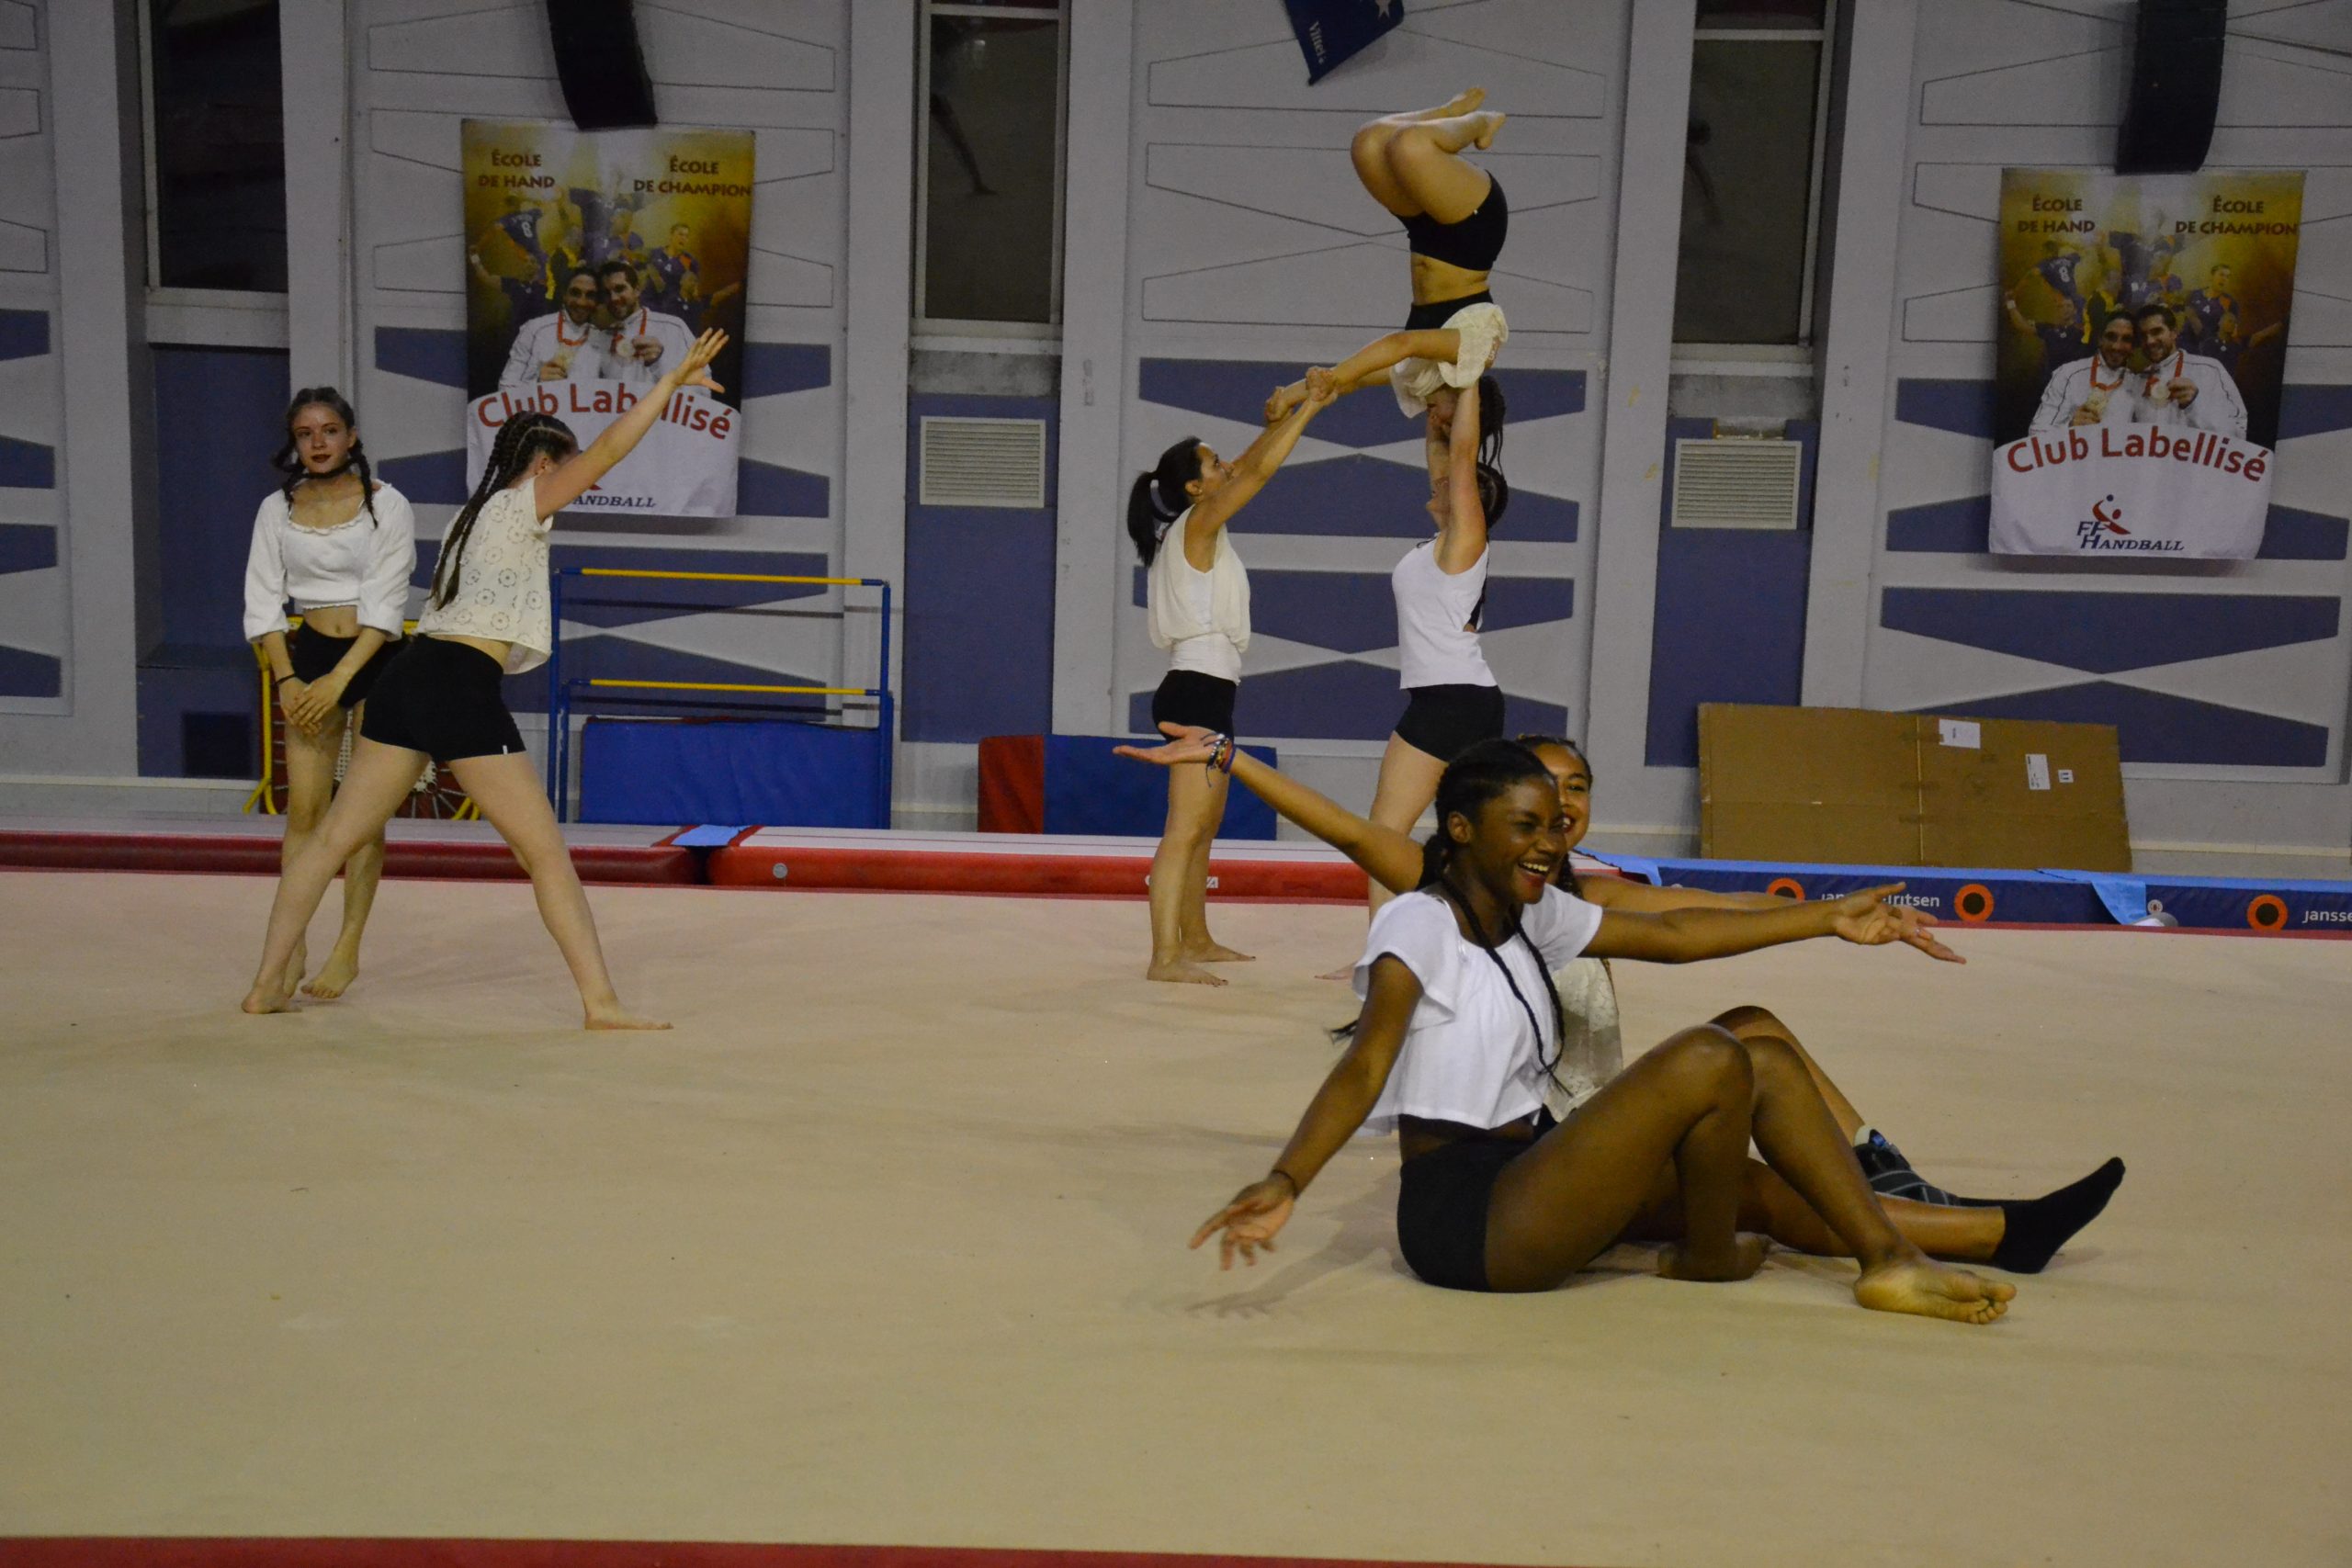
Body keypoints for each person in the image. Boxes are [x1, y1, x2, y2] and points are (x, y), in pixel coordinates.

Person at [1119, 730, 2124, 1293]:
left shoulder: (1537, 911)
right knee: (1712, 1055)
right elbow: (1366, 1064)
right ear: (1460, 830)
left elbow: (1679, 932)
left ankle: (1993, 1235)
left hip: (1542, 1160)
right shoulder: (1419, 922)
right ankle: (1823, 1260)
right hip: (1467, 1218)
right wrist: (1287, 1178)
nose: (1549, 840)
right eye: (1526, 824)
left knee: (1762, 1116)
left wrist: (1829, 918)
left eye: (1558, 821)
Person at [238, 329, 733, 1027]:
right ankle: (601, 1002)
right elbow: (608, 450)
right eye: (564, 472)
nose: (574, 487)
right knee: (547, 856)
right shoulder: (525, 502)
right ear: (542, 465)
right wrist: (669, 383)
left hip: (409, 675)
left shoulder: (471, 517)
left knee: (327, 842)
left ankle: (266, 984)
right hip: (457, 683)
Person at [1510, 732, 2123, 1248]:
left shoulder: (1588, 895)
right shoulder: (1510, 902)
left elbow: (1722, 907)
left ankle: (1891, 1177)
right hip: (1557, 1149)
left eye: (1577, 786)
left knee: (1751, 1028)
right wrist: (1825, 918)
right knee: (1754, 1184)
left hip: (1599, 1114)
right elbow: (1680, 936)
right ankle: (1994, 1234)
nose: (1563, 801)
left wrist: (1839, 912)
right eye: (1545, 784)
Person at [1126, 378, 1340, 986]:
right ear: (1196, 488)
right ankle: (1164, 955)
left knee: (1205, 827)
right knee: (1185, 828)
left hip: (1210, 689)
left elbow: (1247, 464)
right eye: (1213, 464)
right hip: (1195, 689)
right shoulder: (1199, 522)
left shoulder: (1198, 521)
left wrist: (1282, 415)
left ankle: (1195, 937)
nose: (1226, 467)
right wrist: (1312, 407)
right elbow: (1260, 474)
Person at [242, 389, 416, 1002]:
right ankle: (290, 947)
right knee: (305, 813)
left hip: (374, 658)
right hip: (308, 657)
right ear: (294, 442)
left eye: (330, 430)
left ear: (351, 436)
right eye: (305, 433)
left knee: (361, 815)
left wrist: (339, 681)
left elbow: (388, 602)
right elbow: (263, 601)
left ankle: (347, 947)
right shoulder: (276, 508)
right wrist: (288, 680)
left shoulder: (387, 504)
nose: (318, 442)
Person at [1264, 89, 1508, 424]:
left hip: (1426, 234)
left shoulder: (1421, 377)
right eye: (1448, 423)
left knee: (1367, 144)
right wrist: (1333, 378)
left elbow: (1357, 378)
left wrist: (1289, 396)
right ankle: (1480, 122)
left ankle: (1446, 111)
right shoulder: (1478, 353)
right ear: (1470, 410)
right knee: (1410, 145)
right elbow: (1402, 343)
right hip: (1473, 230)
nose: (1435, 422)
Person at [1361, 377, 1510, 921]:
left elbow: (1462, 456)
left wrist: (1468, 381)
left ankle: (1385, 948)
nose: (1442, 479)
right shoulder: (1439, 544)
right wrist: (1436, 411)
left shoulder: (1465, 539)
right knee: (1458, 835)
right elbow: (1443, 449)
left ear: (1469, 501)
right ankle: (1462, 934)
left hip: (1452, 701)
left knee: (1384, 831)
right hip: (1457, 699)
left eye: (1454, 482)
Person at [2128, 302, 2246, 436]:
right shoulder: (2137, 382)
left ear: (2174, 333)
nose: (2150, 341)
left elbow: (2238, 431)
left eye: (2157, 332)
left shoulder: (2210, 370)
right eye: (2143, 336)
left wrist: (2194, 405)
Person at [593, 258, 698, 386]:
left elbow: (700, 387)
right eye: (606, 293)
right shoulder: (602, 339)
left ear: (637, 290)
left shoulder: (673, 328)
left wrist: (660, 362)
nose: (613, 298)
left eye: (620, 289)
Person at [497, 267, 607, 389]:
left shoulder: (602, 339)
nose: (582, 302)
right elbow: (505, 387)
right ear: (564, 295)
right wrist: (537, 382)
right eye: (575, 293)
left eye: (590, 295)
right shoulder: (534, 329)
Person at [2030, 310, 2137, 433]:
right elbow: (2037, 432)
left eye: (2126, 339)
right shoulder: (2068, 374)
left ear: (2133, 347)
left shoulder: (2136, 383)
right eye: (2111, 337)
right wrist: (2070, 427)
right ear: (2100, 339)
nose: (2116, 346)